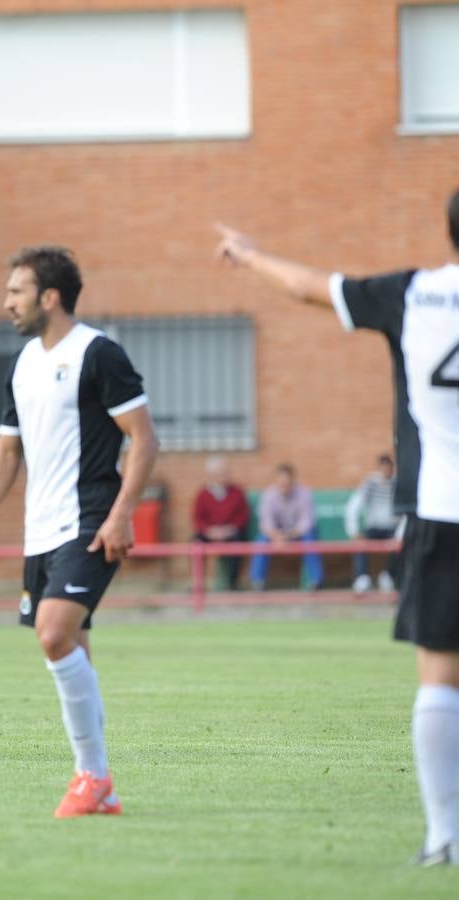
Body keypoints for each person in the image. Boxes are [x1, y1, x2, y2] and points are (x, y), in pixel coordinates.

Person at [215, 191, 459, 866]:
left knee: (440, 678)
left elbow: (303, 287)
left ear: (449, 230)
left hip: (442, 510)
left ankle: (444, 837)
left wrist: (248, 253)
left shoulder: (412, 294)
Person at [0, 246, 159, 818]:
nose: (6, 302)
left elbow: (144, 439)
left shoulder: (98, 353)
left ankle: (92, 778)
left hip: (90, 519)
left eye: (16, 291)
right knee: (72, 649)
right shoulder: (22, 364)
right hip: (39, 531)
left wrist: (121, 514)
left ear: (49, 297)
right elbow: (5, 450)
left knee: (53, 633)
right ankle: (99, 784)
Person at [248, 463, 323, 591]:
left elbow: (307, 522)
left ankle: (315, 581)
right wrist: (277, 537)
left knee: (309, 538)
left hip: (298, 533)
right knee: (262, 540)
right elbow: (266, 522)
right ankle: (257, 581)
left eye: (287, 483)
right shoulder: (269, 495)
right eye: (281, 483)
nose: (284, 486)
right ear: (276, 482)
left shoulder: (304, 493)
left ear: (293, 481)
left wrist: (288, 536)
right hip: (276, 534)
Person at [345, 454, 401, 595]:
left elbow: (404, 513)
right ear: (379, 468)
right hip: (373, 527)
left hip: (392, 528)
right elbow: (354, 506)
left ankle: (388, 576)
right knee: (359, 543)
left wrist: (400, 534)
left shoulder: (398, 483)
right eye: (383, 467)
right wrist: (354, 531)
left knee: (401, 543)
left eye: (389, 467)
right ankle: (361, 578)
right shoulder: (370, 483)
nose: (386, 470)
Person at [192, 455, 250, 591]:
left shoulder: (237, 492)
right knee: (195, 544)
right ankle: (198, 584)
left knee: (238, 543)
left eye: (225, 471)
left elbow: (243, 516)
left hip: (231, 533)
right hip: (210, 533)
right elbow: (197, 518)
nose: (225, 475)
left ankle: (232, 584)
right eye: (220, 472)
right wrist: (210, 531)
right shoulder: (203, 494)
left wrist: (229, 530)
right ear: (211, 475)